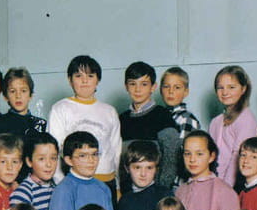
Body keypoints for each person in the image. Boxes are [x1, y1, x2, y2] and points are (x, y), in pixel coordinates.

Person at [48, 55, 122, 194]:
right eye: (78, 76)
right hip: (75, 182)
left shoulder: (109, 111)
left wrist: (117, 185)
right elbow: (54, 150)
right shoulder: (60, 108)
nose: (85, 81)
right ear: (70, 80)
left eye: (90, 76)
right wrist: (61, 183)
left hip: (107, 181)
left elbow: (116, 150)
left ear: (98, 80)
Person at [46, 131, 117, 210]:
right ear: (69, 160)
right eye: (83, 156)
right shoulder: (64, 190)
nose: (91, 161)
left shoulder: (103, 189)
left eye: (94, 154)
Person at [0, 67, 47, 188]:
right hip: (6, 187)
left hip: (38, 186)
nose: (18, 96)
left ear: (31, 95)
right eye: (13, 91)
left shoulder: (41, 125)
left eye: (23, 91)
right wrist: (5, 183)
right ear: (5, 96)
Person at [118, 61, 179, 190]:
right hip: (128, 192)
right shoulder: (121, 119)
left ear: (153, 87)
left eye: (144, 84)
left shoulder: (163, 116)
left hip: (155, 191)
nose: (138, 89)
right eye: (132, 84)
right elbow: (119, 160)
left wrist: (160, 190)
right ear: (126, 86)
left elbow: (171, 158)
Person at [209, 65, 257, 188]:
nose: (225, 92)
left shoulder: (246, 118)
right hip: (214, 182)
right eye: (220, 87)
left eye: (231, 87)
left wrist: (226, 189)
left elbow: (237, 159)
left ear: (243, 89)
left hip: (234, 186)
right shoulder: (215, 122)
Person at [10, 131, 60, 210]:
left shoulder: (57, 187)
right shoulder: (23, 193)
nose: (49, 164)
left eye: (53, 158)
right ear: (29, 161)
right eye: (41, 159)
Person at [160, 66, 201, 140]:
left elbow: (184, 147)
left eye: (177, 87)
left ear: (186, 92)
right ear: (160, 90)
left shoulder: (186, 119)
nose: (171, 91)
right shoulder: (159, 115)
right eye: (166, 86)